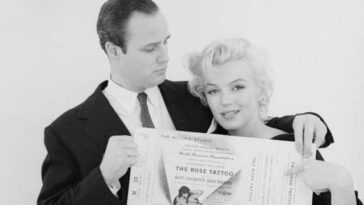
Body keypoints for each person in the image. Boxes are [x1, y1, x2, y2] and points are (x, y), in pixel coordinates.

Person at [37, 0, 334, 205]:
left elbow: (244, 123)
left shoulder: (196, 96)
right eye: (151, 48)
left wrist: (300, 121)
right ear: (114, 51)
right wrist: (104, 177)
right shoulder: (66, 132)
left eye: (166, 41)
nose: (164, 56)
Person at [187, 38, 362, 205]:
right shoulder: (206, 152)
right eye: (213, 91)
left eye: (238, 87)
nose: (225, 100)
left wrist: (342, 184)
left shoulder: (295, 149)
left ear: (260, 90)